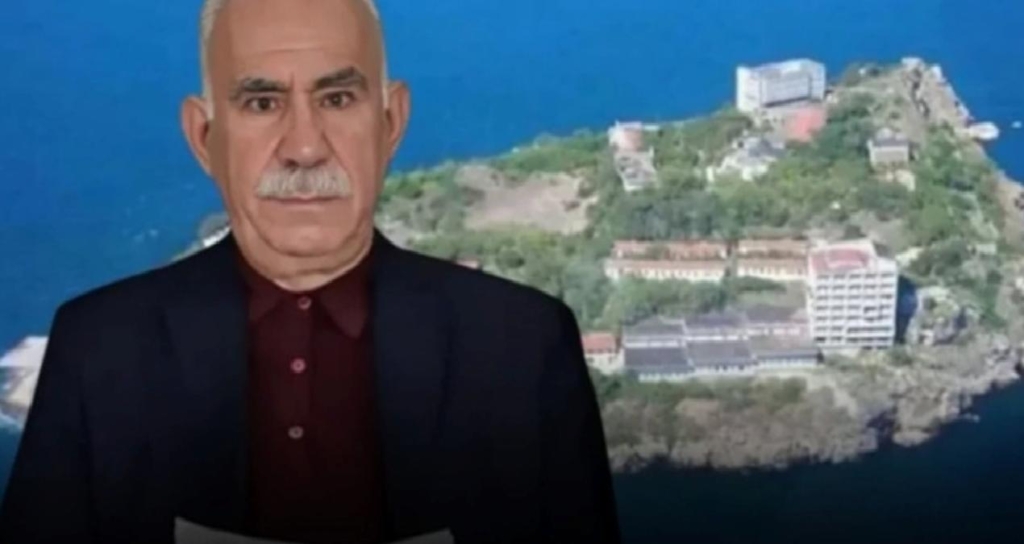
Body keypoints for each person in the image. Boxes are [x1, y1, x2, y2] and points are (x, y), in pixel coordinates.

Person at [0, 0, 621, 542]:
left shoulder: (525, 345)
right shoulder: (97, 349)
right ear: (203, 137)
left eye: (337, 98)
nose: (305, 147)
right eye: (262, 101)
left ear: (391, 123)